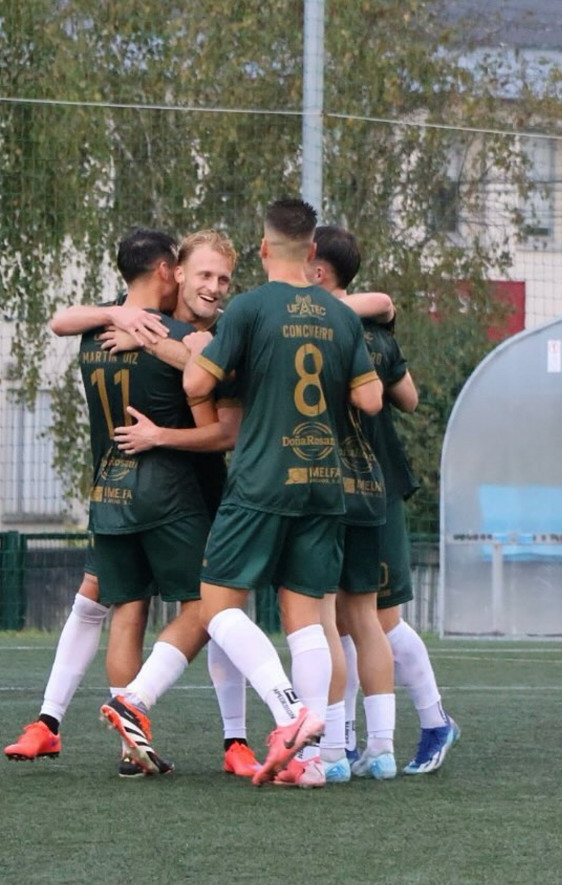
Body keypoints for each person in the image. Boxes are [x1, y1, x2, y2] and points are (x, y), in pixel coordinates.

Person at [5, 229, 258, 777]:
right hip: (168, 491)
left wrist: (134, 328)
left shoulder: (173, 330)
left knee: (119, 604)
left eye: (223, 279)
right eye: (204, 275)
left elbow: (64, 321)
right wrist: (128, 322)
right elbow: (221, 427)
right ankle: (129, 724)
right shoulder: (148, 324)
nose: (214, 287)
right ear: (175, 272)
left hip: (123, 487)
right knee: (205, 605)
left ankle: (63, 724)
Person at [180, 198, 383, 787]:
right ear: (313, 252)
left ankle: (293, 714)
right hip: (325, 482)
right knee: (306, 620)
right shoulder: (342, 316)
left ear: (265, 249)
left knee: (217, 608)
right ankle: (314, 763)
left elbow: (197, 380)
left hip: (263, 478)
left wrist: (224, 362)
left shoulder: (247, 308)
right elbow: (370, 400)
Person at [309, 224, 460, 776]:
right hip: (354, 483)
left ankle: (433, 720)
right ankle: (345, 739)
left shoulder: (321, 327)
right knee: (345, 616)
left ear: (318, 268)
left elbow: (404, 394)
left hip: (368, 485)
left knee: (377, 616)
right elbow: (410, 399)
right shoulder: (367, 327)